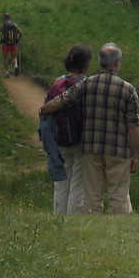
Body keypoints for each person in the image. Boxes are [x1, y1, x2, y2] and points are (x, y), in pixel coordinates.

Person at [39, 43, 139, 214]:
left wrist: (44, 108)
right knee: (118, 194)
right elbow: (133, 126)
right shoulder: (128, 89)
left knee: (92, 195)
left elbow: (64, 100)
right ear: (117, 63)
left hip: (91, 148)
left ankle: (92, 223)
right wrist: (135, 155)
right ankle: (118, 228)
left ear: (100, 62)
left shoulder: (88, 84)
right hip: (117, 148)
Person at [41, 44, 90, 214]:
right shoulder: (87, 84)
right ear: (86, 64)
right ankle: (74, 219)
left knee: (61, 183)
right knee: (78, 184)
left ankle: (58, 216)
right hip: (80, 141)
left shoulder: (58, 82)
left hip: (59, 139)